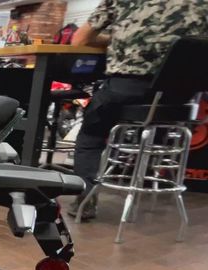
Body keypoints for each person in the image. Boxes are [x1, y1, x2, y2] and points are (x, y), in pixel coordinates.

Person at [67, 0, 208, 220]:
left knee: (91, 135)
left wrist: (121, 38)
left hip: (127, 88)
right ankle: (150, 181)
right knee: (154, 124)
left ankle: (85, 201)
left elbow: (80, 40)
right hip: (181, 100)